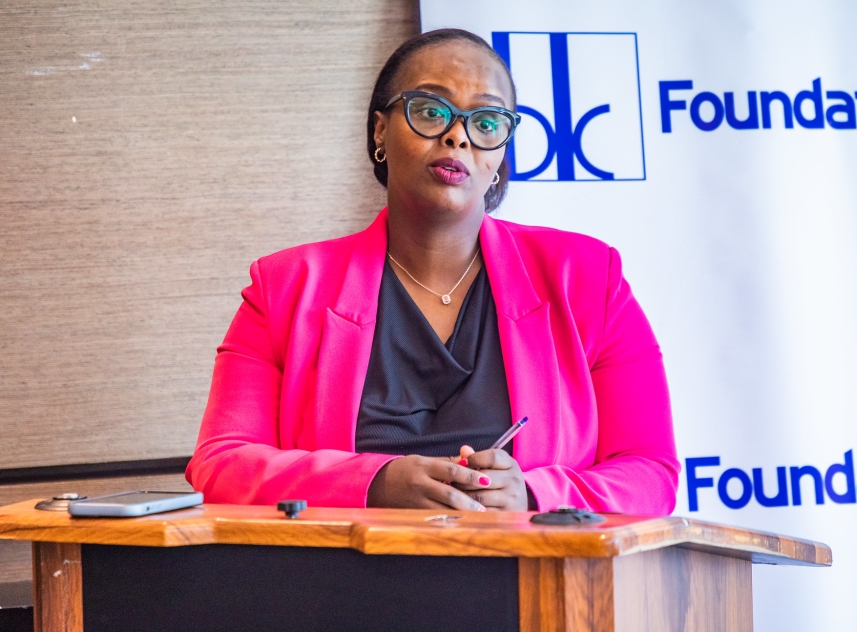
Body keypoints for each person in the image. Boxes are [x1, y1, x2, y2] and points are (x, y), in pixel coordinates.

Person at [185, 28, 679, 514]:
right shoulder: (285, 287)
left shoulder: (588, 279)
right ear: (380, 129)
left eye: (486, 122)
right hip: (346, 580)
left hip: (528, 581)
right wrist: (373, 481)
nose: (457, 135)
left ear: (503, 148)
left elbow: (650, 471)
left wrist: (532, 494)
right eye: (430, 110)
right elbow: (221, 463)